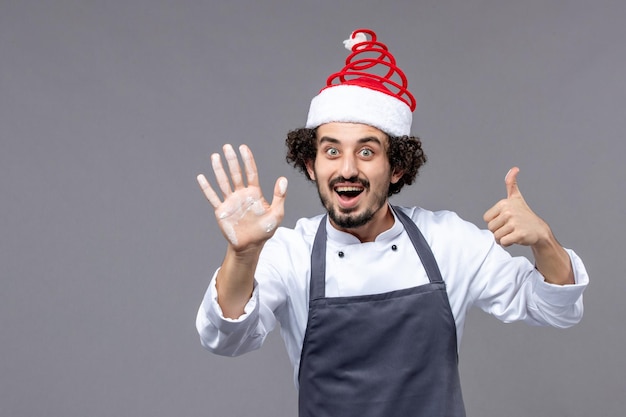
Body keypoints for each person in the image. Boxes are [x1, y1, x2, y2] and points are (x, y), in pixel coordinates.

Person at [195, 29, 588, 417]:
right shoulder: (290, 253)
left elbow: (556, 309)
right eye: (331, 151)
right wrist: (242, 255)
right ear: (311, 166)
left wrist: (544, 241)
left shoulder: (447, 242)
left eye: (367, 151)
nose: (347, 169)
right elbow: (226, 338)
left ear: (397, 166)